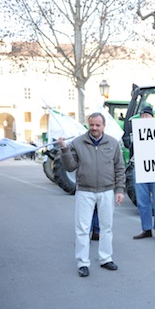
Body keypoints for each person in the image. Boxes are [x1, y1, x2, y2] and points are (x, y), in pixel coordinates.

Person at [58, 112, 125, 277]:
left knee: (106, 227)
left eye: (98, 125)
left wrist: (120, 190)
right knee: (82, 229)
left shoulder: (113, 143)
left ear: (104, 126)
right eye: (92, 125)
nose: (94, 128)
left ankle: (105, 258)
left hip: (107, 190)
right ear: (88, 125)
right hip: (85, 191)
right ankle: (82, 262)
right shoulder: (77, 142)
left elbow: (119, 168)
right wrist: (64, 150)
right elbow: (70, 167)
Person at [133, 106, 155, 241]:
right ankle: (146, 228)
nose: (145, 118)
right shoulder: (136, 131)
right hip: (140, 167)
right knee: (142, 201)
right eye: (143, 115)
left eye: (147, 115)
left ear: (153, 117)